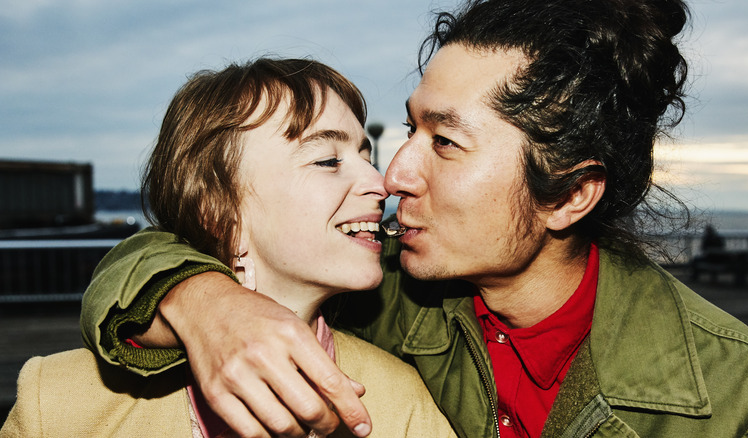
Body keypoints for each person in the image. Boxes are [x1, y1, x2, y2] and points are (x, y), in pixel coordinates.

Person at [74, 0, 748, 437]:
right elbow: (148, 255)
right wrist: (207, 303)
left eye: (445, 142)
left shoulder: (746, 399)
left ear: (569, 195)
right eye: (409, 131)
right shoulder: (370, 294)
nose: (393, 175)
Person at [1, 58, 456, 438]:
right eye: (328, 160)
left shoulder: (403, 405)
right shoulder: (58, 403)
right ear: (220, 214)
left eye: (366, 155)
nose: (381, 183)